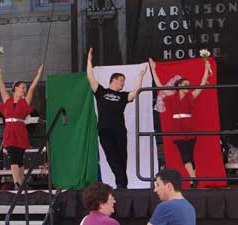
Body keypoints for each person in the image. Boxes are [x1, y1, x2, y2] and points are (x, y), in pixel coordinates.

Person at [87, 48, 147, 189]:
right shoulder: (101, 91)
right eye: (121, 80)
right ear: (113, 80)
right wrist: (89, 61)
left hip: (119, 131)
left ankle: (122, 184)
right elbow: (90, 77)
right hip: (104, 131)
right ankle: (122, 184)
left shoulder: (122, 96)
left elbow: (134, 93)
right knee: (111, 158)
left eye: (124, 81)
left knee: (122, 158)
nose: (123, 83)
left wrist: (141, 77)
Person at [149, 58, 212, 188]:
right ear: (178, 85)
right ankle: (194, 179)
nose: (187, 86)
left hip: (189, 127)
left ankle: (192, 181)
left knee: (190, 155)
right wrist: (153, 69)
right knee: (185, 155)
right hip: (177, 128)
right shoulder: (172, 95)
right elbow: (159, 85)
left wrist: (206, 67)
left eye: (188, 84)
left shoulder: (191, 95)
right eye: (184, 84)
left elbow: (202, 84)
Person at [0, 56, 43, 189]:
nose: (24, 89)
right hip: (9, 132)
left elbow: (32, 88)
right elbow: (1, 84)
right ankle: (17, 183)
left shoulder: (25, 102)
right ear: (15, 88)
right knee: (13, 158)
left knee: (20, 159)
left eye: (25, 88)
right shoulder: (7, 100)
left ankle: (21, 184)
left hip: (20, 132)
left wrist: (38, 75)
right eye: (22, 87)